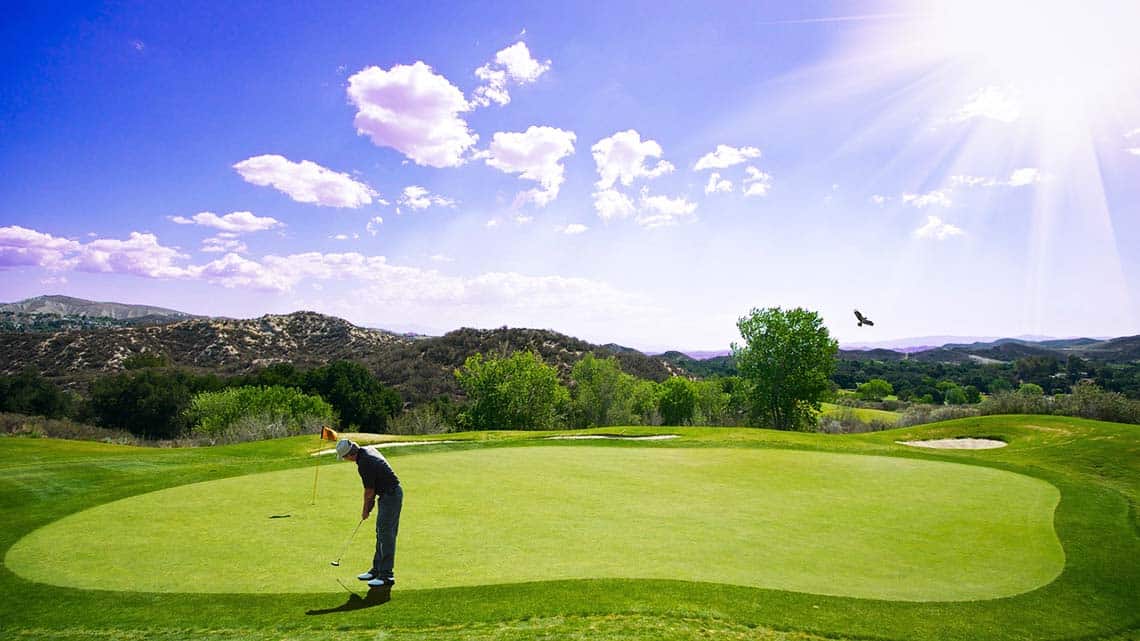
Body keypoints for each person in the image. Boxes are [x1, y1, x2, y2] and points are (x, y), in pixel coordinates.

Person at [335, 438, 403, 588]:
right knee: (381, 533)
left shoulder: (364, 463)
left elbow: (369, 492)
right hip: (387, 495)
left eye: (344, 458)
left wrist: (365, 510)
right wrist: (369, 506)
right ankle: (376, 570)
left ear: (349, 455)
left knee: (386, 535)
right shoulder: (366, 451)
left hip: (391, 495)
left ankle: (386, 575)